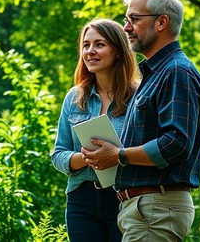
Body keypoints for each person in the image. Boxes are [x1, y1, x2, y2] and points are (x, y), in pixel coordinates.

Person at [82, 0, 200, 241]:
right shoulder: (156, 73)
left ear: (162, 22)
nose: (126, 27)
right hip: (146, 209)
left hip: (155, 207)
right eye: (126, 19)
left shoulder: (176, 72)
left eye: (134, 19)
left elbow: (176, 143)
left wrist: (119, 156)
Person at [51, 18, 139, 242]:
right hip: (81, 199)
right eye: (86, 45)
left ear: (118, 51)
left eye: (99, 44)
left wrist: (116, 156)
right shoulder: (74, 97)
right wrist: (87, 158)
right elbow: (58, 154)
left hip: (126, 197)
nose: (90, 51)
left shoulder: (139, 96)